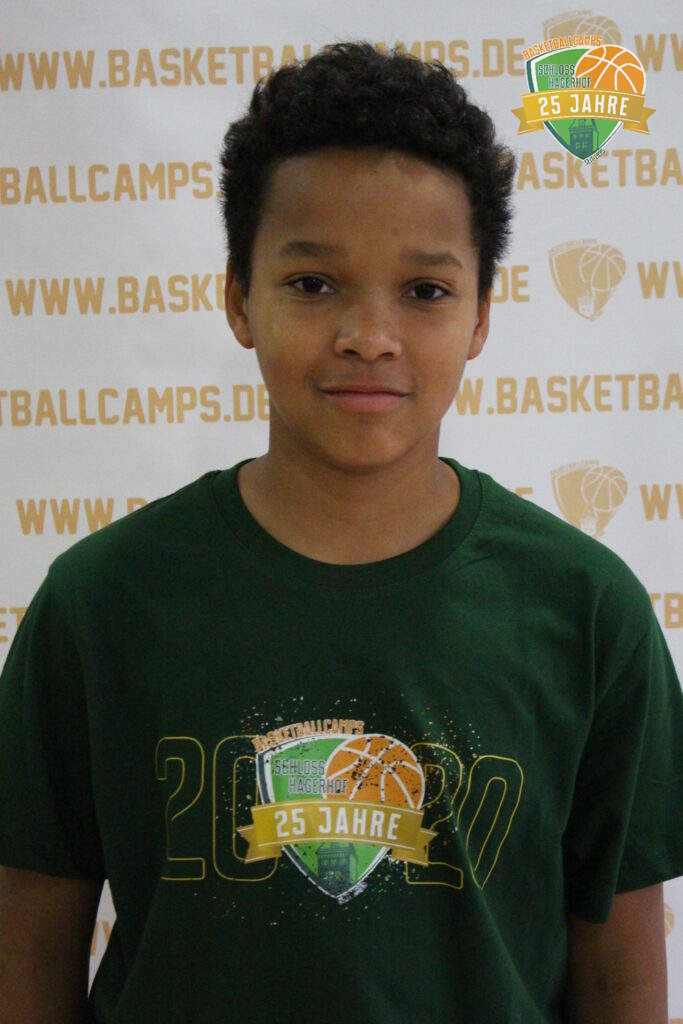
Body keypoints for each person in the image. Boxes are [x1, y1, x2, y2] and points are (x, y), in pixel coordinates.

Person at [0, 42, 681, 1024]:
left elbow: (619, 973)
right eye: (313, 284)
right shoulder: (101, 602)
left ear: (481, 315)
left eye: (425, 290)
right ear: (238, 297)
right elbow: (27, 942)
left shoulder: (584, 610)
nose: (370, 335)